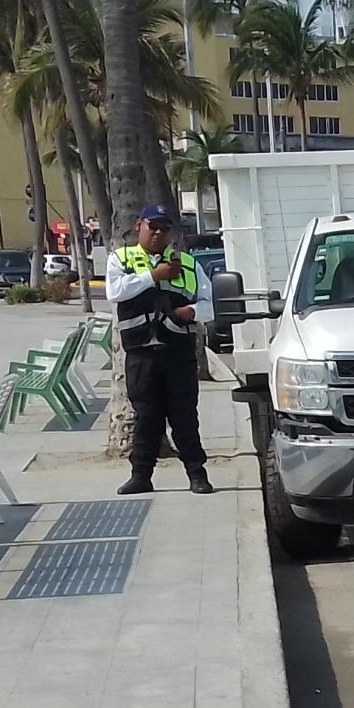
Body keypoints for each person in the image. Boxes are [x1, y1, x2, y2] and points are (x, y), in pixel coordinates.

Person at [106, 204, 214, 495]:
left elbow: (209, 305)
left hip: (177, 353)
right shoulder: (122, 259)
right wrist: (154, 276)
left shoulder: (189, 263)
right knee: (146, 418)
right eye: (152, 225)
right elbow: (115, 292)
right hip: (141, 354)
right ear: (139, 225)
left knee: (184, 418)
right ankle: (141, 476)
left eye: (163, 227)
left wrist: (191, 312)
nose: (157, 232)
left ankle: (197, 475)